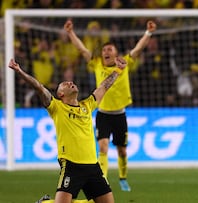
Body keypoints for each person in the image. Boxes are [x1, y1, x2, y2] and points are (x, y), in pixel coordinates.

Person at [8, 57, 127, 203]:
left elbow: (104, 86)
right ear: (60, 94)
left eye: (71, 82)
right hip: (71, 165)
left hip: (93, 166)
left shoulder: (87, 105)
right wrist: (19, 71)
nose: (70, 82)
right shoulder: (56, 107)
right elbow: (39, 87)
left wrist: (118, 70)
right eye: (65, 84)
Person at [64, 19, 157, 191]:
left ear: (116, 53)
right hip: (103, 114)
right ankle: (103, 180)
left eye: (109, 49)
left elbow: (138, 48)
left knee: (122, 150)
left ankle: (123, 178)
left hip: (120, 115)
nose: (106, 52)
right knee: (103, 146)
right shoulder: (97, 63)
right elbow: (82, 49)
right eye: (104, 49)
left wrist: (148, 32)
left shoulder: (125, 63)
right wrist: (70, 33)